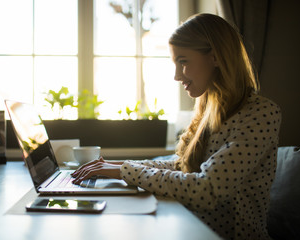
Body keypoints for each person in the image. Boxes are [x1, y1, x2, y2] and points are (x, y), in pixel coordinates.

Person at [72, 13, 281, 240]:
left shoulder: (261, 114)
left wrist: (125, 171)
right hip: (190, 229)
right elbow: (183, 167)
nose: (176, 76)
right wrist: (120, 166)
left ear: (216, 57)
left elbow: (206, 189)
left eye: (183, 62)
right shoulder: (209, 110)